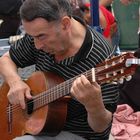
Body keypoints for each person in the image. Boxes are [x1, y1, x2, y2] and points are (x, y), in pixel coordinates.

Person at [0, 0, 119, 139]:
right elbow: (6, 59)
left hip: (80, 134)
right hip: (38, 126)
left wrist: (94, 106)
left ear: (65, 24)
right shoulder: (39, 32)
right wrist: (15, 82)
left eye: (41, 36)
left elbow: (101, 127)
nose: (37, 45)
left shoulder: (103, 60)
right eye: (33, 37)